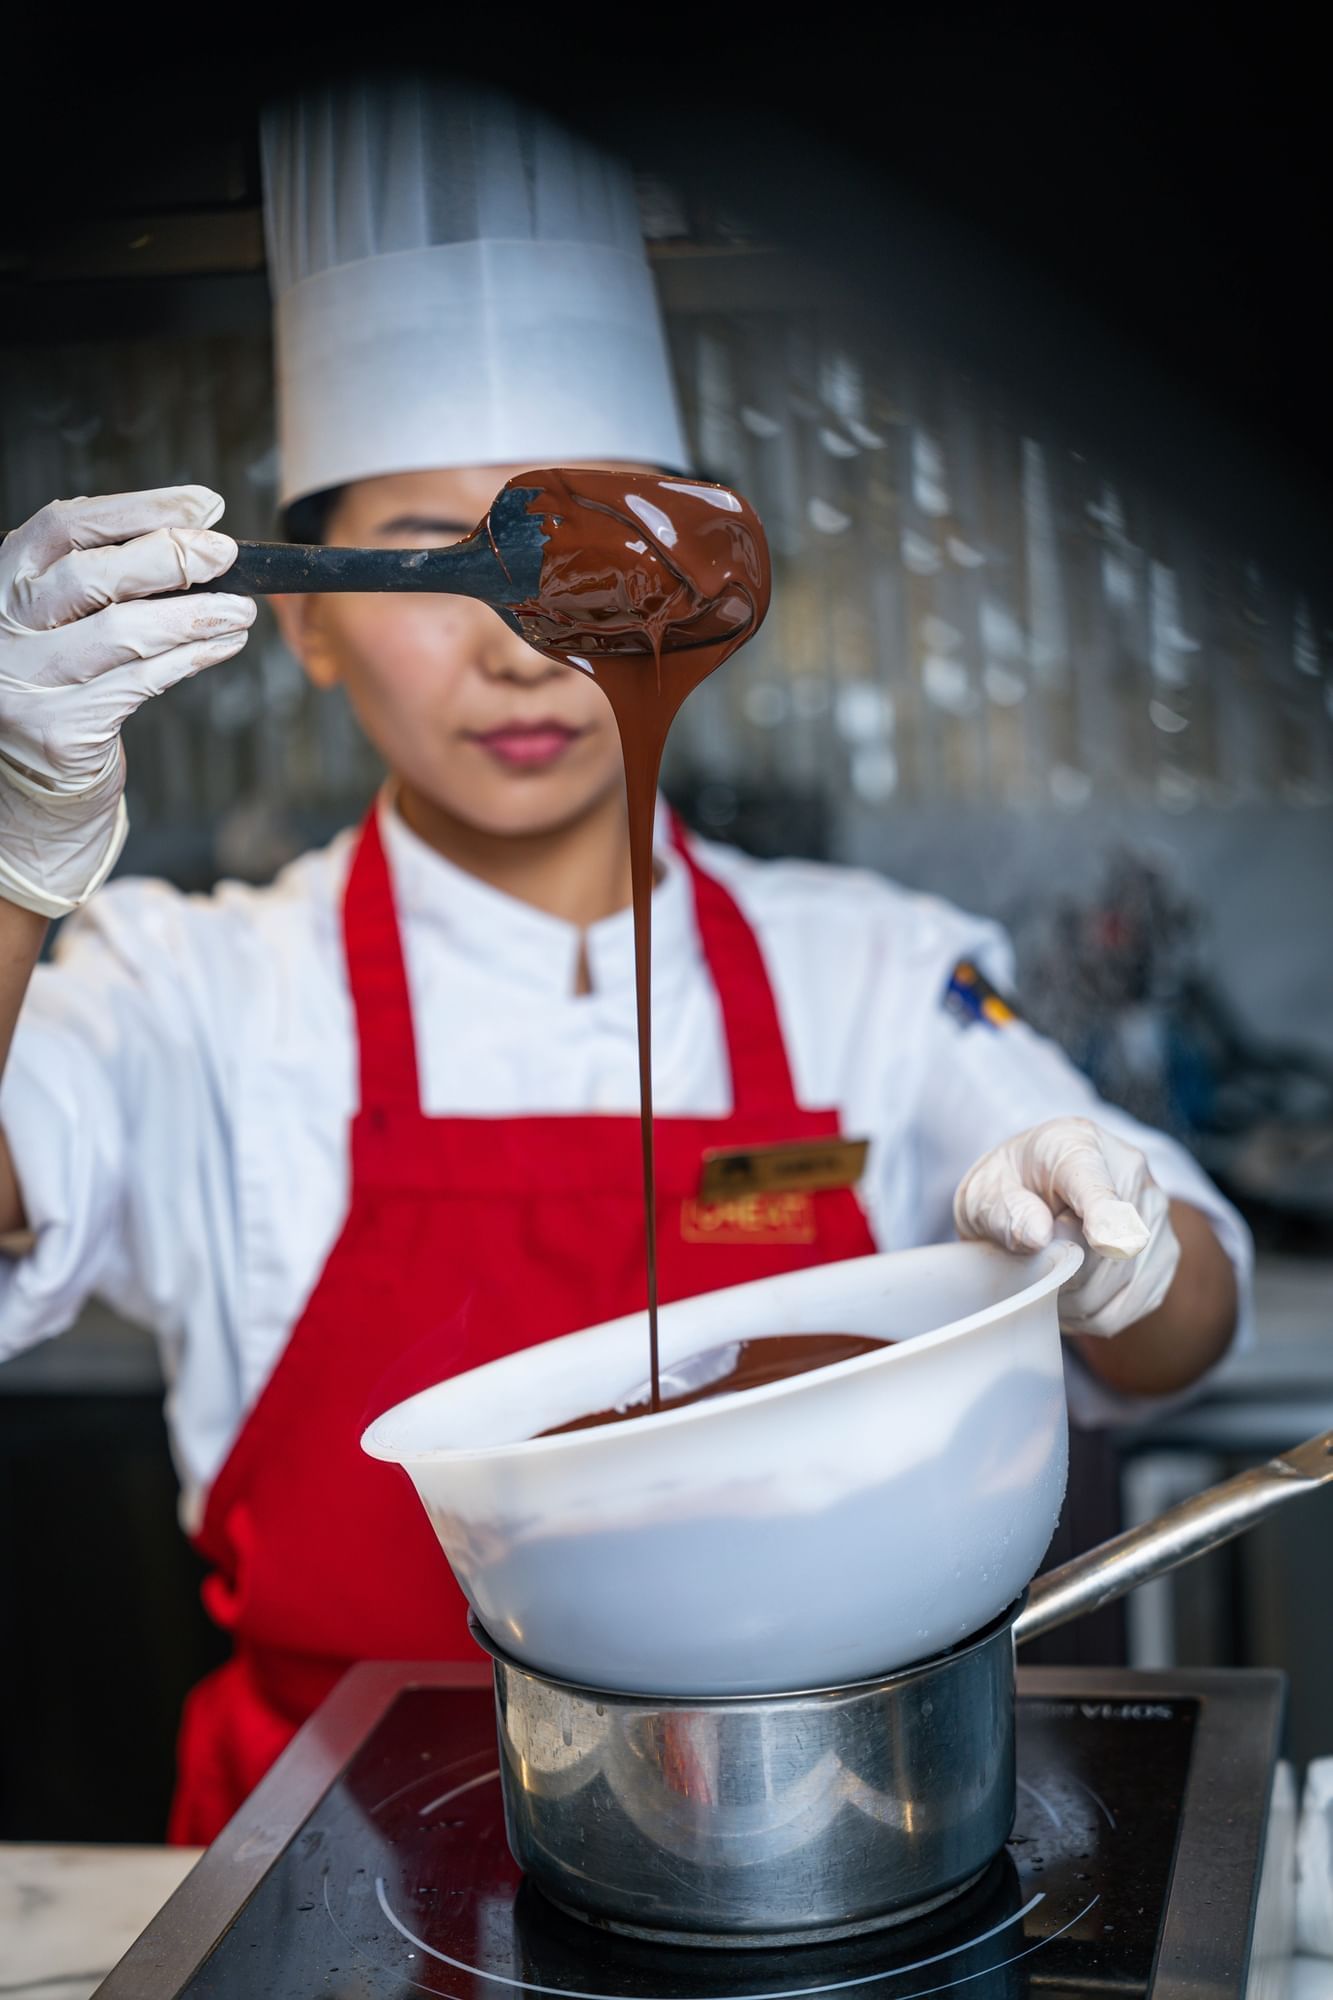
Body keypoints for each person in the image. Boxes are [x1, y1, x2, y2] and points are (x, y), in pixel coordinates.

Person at [0, 79, 1246, 1846]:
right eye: (432, 558)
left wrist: (1123, 1253)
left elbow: (1180, 1331)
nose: (523, 651)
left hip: (798, 1834)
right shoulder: (190, 988)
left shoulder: (868, 967)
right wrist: (8, 861)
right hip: (321, 1860)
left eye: (587, 561)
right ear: (308, 615)